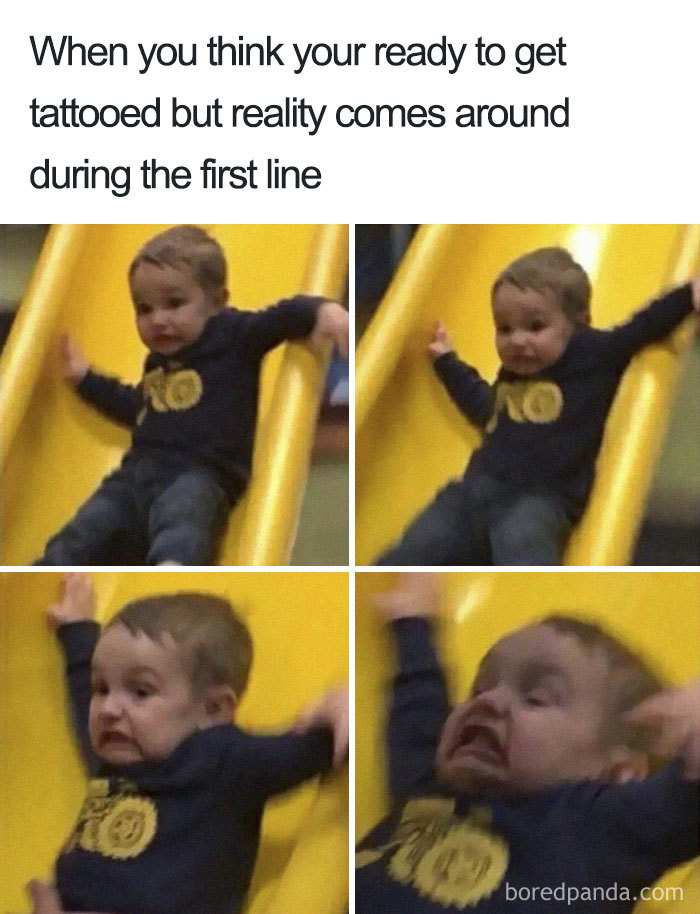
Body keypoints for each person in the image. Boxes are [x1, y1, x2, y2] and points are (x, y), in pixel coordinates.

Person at [356, 573, 700, 913]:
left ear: (619, 774)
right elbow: (419, 714)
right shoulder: (430, 791)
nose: (489, 700)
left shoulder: (596, 829)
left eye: (536, 697)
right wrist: (412, 620)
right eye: (480, 687)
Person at [29, 574, 348, 914]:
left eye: (141, 691)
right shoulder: (115, 754)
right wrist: (78, 627)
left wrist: (337, 703)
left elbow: (305, 751)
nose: (108, 708)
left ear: (212, 710)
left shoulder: (222, 761)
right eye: (103, 688)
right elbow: (83, 695)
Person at [37, 225, 349, 565]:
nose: (158, 319)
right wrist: (84, 379)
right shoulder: (158, 361)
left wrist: (320, 311)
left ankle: (175, 566)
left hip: (201, 473)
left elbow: (278, 318)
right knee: (88, 527)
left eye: (174, 303)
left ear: (217, 302)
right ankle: (46, 574)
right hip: (135, 476)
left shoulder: (233, 336)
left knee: (183, 519)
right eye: (144, 309)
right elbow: (135, 407)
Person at [378, 248, 700, 565]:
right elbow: (485, 407)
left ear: (577, 325)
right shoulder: (514, 373)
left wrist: (688, 296)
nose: (517, 340)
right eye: (504, 328)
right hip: (476, 490)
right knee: (424, 540)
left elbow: (642, 327)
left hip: (542, 498)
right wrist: (447, 361)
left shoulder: (594, 355)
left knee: (522, 537)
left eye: (535, 327)